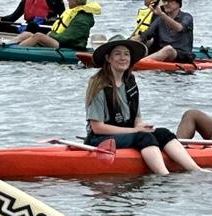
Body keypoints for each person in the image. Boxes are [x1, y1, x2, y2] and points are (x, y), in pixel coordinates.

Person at [84, 38, 200, 174]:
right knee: (144, 137)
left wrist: (140, 126)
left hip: (128, 134)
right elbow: (98, 128)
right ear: (108, 58)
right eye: (117, 54)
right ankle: (164, 176)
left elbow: (136, 117)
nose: (123, 58)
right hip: (101, 138)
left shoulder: (130, 81)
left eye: (126, 54)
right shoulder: (98, 85)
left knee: (163, 133)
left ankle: (196, 170)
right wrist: (136, 131)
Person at [13, 0, 100, 49]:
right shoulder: (73, 12)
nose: (68, 1)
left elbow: (69, 38)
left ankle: (14, 51)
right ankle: (5, 46)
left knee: (38, 36)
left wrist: (51, 35)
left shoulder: (81, 18)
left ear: (75, 2)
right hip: (59, 40)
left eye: (70, 0)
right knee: (26, 34)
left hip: (69, 45)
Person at [138, 0, 194, 64]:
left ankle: (138, 63)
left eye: (170, 1)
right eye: (164, 1)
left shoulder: (187, 17)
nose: (166, 4)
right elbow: (146, 35)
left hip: (182, 54)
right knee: (143, 41)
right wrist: (134, 40)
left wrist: (162, 14)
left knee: (168, 49)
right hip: (161, 52)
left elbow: (179, 28)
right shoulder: (159, 19)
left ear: (178, 4)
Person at [0, 0, 65, 35]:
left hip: (44, 28)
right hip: (28, 28)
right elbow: (13, 17)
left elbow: (64, 18)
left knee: (31, 26)